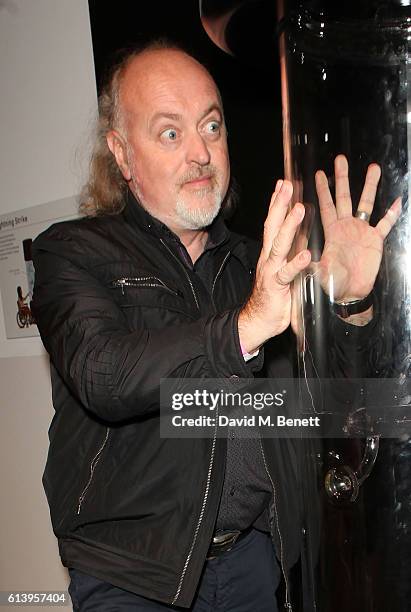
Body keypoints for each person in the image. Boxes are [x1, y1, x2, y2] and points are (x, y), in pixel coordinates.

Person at [31, 40, 400, 611]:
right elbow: (103, 374)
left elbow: (333, 405)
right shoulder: (72, 250)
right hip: (135, 575)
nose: (201, 153)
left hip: (255, 561)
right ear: (122, 155)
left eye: (211, 126)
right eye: (170, 133)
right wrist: (248, 324)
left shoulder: (259, 266)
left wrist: (347, 306)